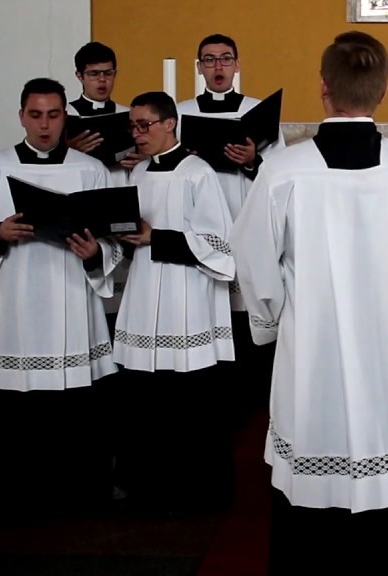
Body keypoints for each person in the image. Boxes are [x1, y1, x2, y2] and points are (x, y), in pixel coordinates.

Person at [233, 34, 388, 575]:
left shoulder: (283, 171)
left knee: (318, 461)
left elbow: (252, 262)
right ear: (384, 92)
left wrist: (274, 325)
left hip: (317, 355)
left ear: (323, 87)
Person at [0, 77, 122, 520]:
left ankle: (76, 494)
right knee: (10, 401)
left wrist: (95, 252)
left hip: (70, 295)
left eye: (54, 115)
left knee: (73, 405)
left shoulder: (91, 170)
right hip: (12, 303)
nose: (45, 125)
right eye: (36, 115)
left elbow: (112, 237)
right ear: (21, 117)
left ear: (66, 117)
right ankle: (7, 496)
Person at [111, 91, 236, 514]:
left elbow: (219, 244)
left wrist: (156, 237)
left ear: (170, 123)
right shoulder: (137, 173)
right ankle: (144, 486)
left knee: (186, 401)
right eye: (133, 126)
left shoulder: (198, 173)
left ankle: (193, 491)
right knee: (144, 398)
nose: (137, 133)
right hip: (145, 294)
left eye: (144, 124)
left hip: (187, 300)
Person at [176, 34, 286, 409]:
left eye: (225, 59)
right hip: (200, 226)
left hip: (245, 218)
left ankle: (252, 400)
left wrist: (253, 161)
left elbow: (281, 175)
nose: (218, 66)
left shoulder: (258, 112)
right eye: (209, 60)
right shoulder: (180, 114)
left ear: (237, 65)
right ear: (199, 68)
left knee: (244, 314)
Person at [66, 41, 142, 171]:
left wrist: (142, 159)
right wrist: (68, 150)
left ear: (115, 74)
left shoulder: (129, 114)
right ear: (80, 76)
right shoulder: (64, 114)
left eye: (108, 73)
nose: (102, 79)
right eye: (94, 74)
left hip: (120, 179)